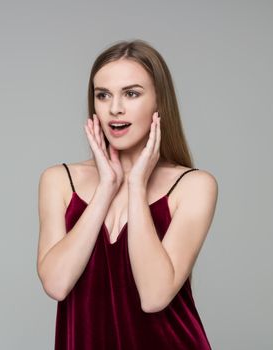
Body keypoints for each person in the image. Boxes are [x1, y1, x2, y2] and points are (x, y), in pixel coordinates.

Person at [36, 39, 218, 349]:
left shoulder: (194, 186)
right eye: (103, 95)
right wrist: (106, 187)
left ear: (159, 102)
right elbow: (56, 283)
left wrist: (136, 185)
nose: (115, 108)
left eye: (131, 94)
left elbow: (154, 296)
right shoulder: (59, 180)